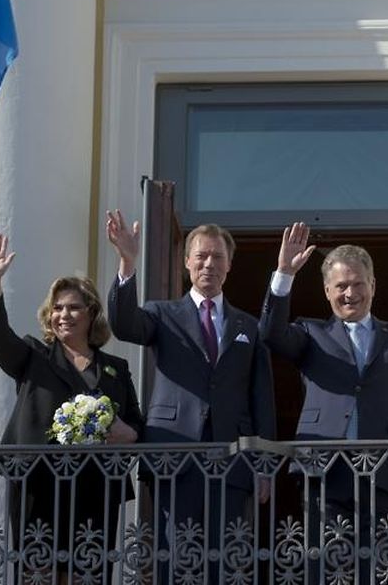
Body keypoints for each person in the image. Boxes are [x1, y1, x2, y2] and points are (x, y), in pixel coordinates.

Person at [105, 211, 276, 583]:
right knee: (175, 559)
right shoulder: (162, 314)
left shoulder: (248, 325)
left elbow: (261, 398)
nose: (209, 264)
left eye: (217, 256)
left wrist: (264, 464)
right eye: (201, 256)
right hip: (175, 457)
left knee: (226, 562)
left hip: (233, 460)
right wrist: (127, 261)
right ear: (187, 263)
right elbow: (123, 324)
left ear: (229, 265)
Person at [260, 222, 388, 580]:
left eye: (357, 283)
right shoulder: (311, 333)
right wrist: (284, 274)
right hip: (325, 473)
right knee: (326, 571)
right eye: (341, 286)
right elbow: (271, 334)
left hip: (384, 474)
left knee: (383, 572)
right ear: (327, 291)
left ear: (373, 286)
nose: (349, 293)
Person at [0, 233, 143, 584]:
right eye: (57, 308)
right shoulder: (33, 355)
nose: (64, 315)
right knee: (39, 573)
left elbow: (136, 424)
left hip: (96, 486)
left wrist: (129, 433)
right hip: (39, 483)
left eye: (73, 307)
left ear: (91, 313)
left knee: (88, 574)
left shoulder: (115, 368)